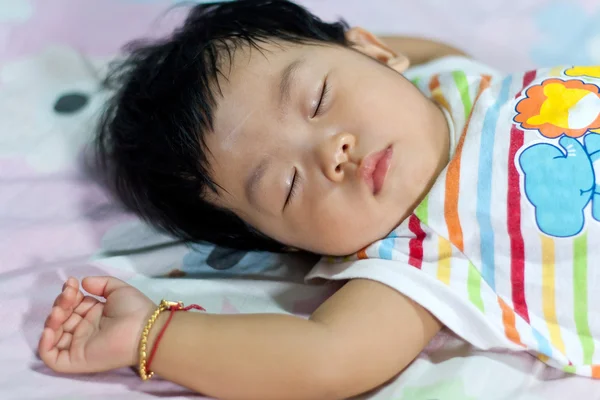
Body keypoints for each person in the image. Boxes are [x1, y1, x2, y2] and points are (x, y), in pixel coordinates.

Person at [38, 1, 600, 399]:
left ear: (376, 54)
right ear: (288, 245)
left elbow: (417, 48)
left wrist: (342, 47)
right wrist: (152, 337)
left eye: (319, 99)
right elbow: (325, 359)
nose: (333, 151)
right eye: (286, 186)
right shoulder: (419, 260)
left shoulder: (448, 80)